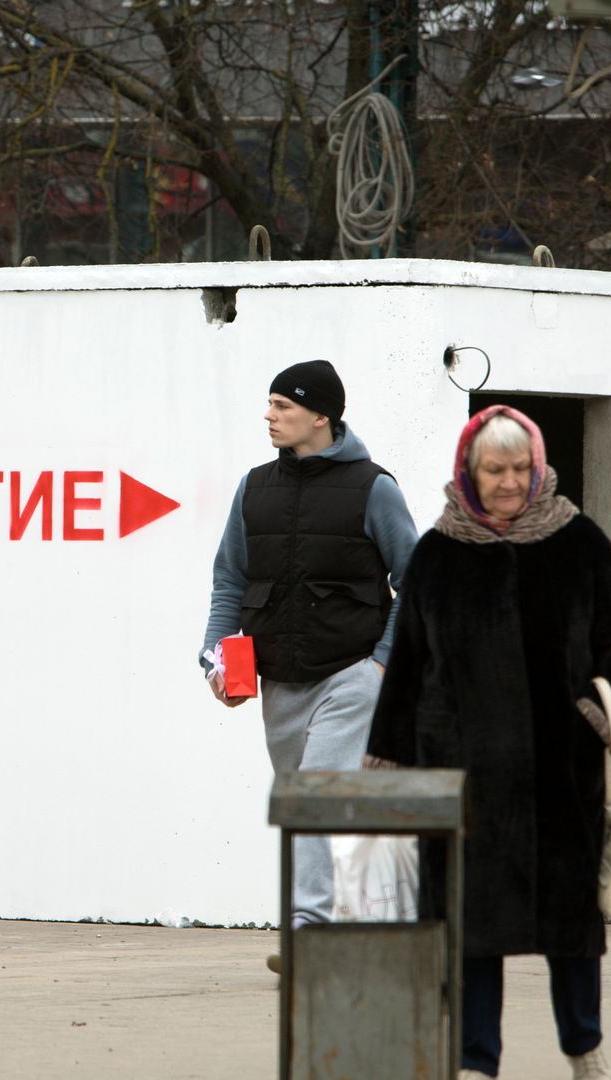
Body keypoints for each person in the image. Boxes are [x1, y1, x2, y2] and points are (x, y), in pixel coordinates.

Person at [364, 405, 611, 1080]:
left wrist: (598, 714)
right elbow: (406, 669)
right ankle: (474, 1061)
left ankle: (584, 1049)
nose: (511, 482)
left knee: (573, 929)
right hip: (464, 776)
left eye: (521, 468)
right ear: (469, 470)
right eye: (496, 469)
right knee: (470, 927)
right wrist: (390, 766)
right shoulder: (438, 552)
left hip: (561, 773)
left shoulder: (580, 543)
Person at [199, 359, 419, 959]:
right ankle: (379, 917)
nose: (268, 416)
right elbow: (229, 579)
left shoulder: (374, 487)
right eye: (269, 404)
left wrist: (380, 662)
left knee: (318, 793)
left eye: (282, 406)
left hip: (351, 672)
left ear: (321, 416)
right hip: (279, 679)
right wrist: (216, 656)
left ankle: (309, 926)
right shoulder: (253, 487)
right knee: (303, 802)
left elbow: (420, 580)